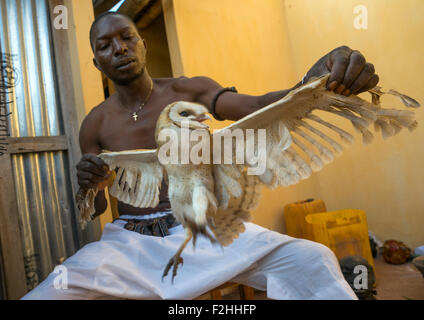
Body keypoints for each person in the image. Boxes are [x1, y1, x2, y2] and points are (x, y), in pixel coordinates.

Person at [22, 12, 379, 300]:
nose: (118, 49)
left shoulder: (188, 89)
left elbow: (254, 106)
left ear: (142, 45)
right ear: (97, 62)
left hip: (203, 230)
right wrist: (92, 185)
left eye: (126, 38)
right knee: (51, 291)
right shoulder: (94, 123)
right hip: (130, 246)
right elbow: (96, 209)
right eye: (105, 46)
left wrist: (313, 81)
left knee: (311, 259)